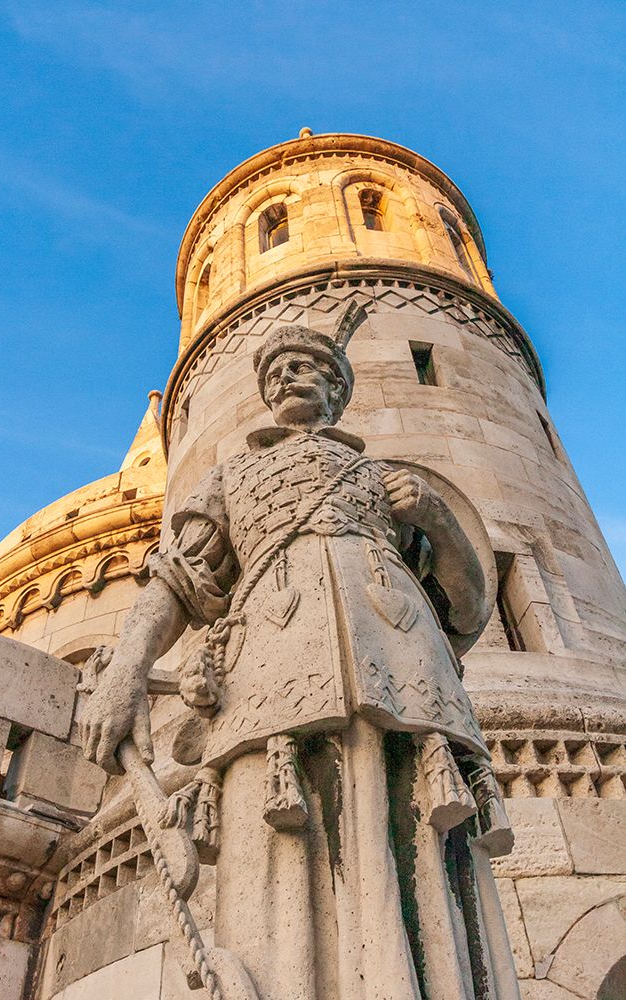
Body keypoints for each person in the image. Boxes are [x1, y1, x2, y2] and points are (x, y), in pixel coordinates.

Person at [81, 322, 518, 1000]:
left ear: (337, 386)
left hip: (403, 669)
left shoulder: (384, 478)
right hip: (270, 677)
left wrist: (437, 519)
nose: (286, 377)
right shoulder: (231, 477)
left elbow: (461, 606)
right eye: (274, 369)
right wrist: (124, 673)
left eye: (303, 366)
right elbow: (175, 581)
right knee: (280, 842)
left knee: (415, 839)